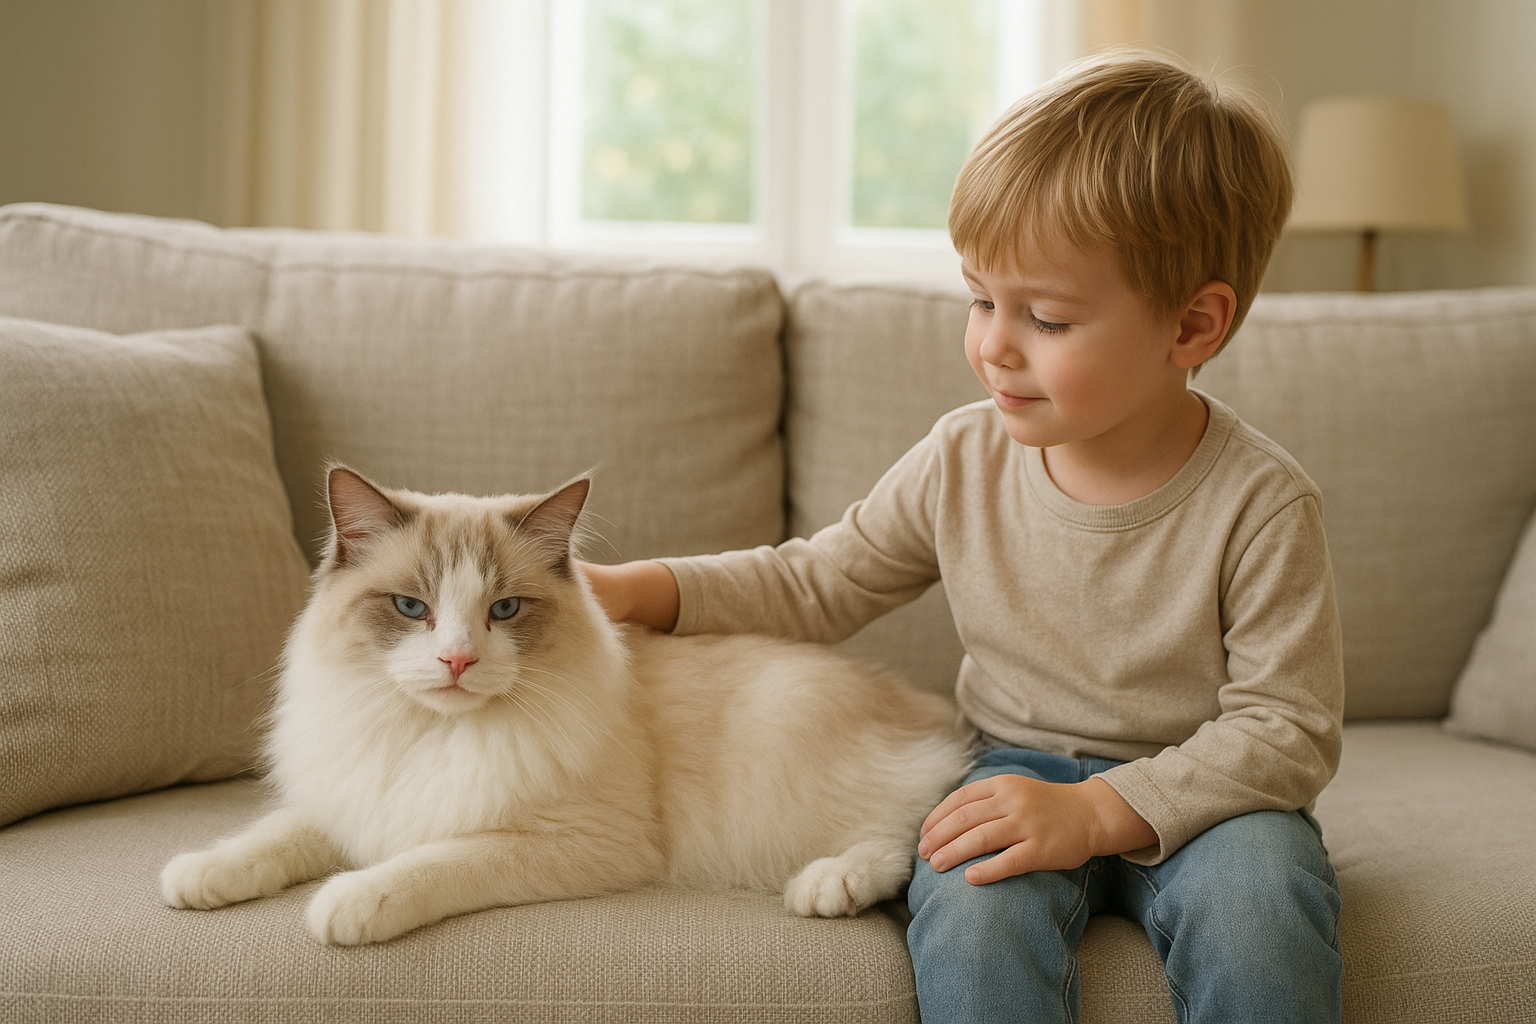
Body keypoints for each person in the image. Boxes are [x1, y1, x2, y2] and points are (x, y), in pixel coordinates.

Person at [582, 48, 1345, 1024]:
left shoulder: (1264, 503)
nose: (993, 343)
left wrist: (1100, 813)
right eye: (982, 298)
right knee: (971, 913)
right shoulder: (962, 459)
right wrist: (646, 588)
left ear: (1193, 327)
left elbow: (1287, 728)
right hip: (1014, 764)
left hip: (1216, 795)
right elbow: (820, 583)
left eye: (1048, 317)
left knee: (1262, 914)